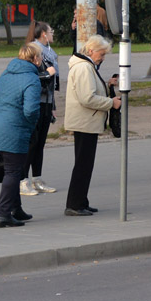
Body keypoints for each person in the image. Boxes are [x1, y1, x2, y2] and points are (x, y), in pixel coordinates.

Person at [0, 44, 42, 228]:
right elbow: (31, 110)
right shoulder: (32, 79)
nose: (41, 60)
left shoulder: (7, 73)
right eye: (40, 57)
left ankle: (16, 209)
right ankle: (3, 214)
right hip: (13, 129)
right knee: (13, 171)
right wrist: (32, 125)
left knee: (14, 169)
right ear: (35, 59)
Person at [64, 35, 121, 216]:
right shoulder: (83, 68)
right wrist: (111, 103)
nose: (102, 58)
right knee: (83, 164)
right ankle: (74, 204)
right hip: (85, 122)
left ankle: (81, 201)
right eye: (101, 54)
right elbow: (87, 98)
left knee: (85, 164)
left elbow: (89, 91)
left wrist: (107, 85)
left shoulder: (86, 66)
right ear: (91, 51)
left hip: (86, 121)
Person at [21, 23, 60, 196]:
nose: (53, 34)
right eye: (51, 31)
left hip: (46, 103)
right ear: (43, 34)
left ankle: (37, 179)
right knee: (31, 143)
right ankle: (23, 181)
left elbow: (52, 84)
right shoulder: (33, 50)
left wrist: (52, 105)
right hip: (34, 103)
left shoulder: (49, 50)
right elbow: (28, 75)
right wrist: (47, 74)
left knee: (41, 143)